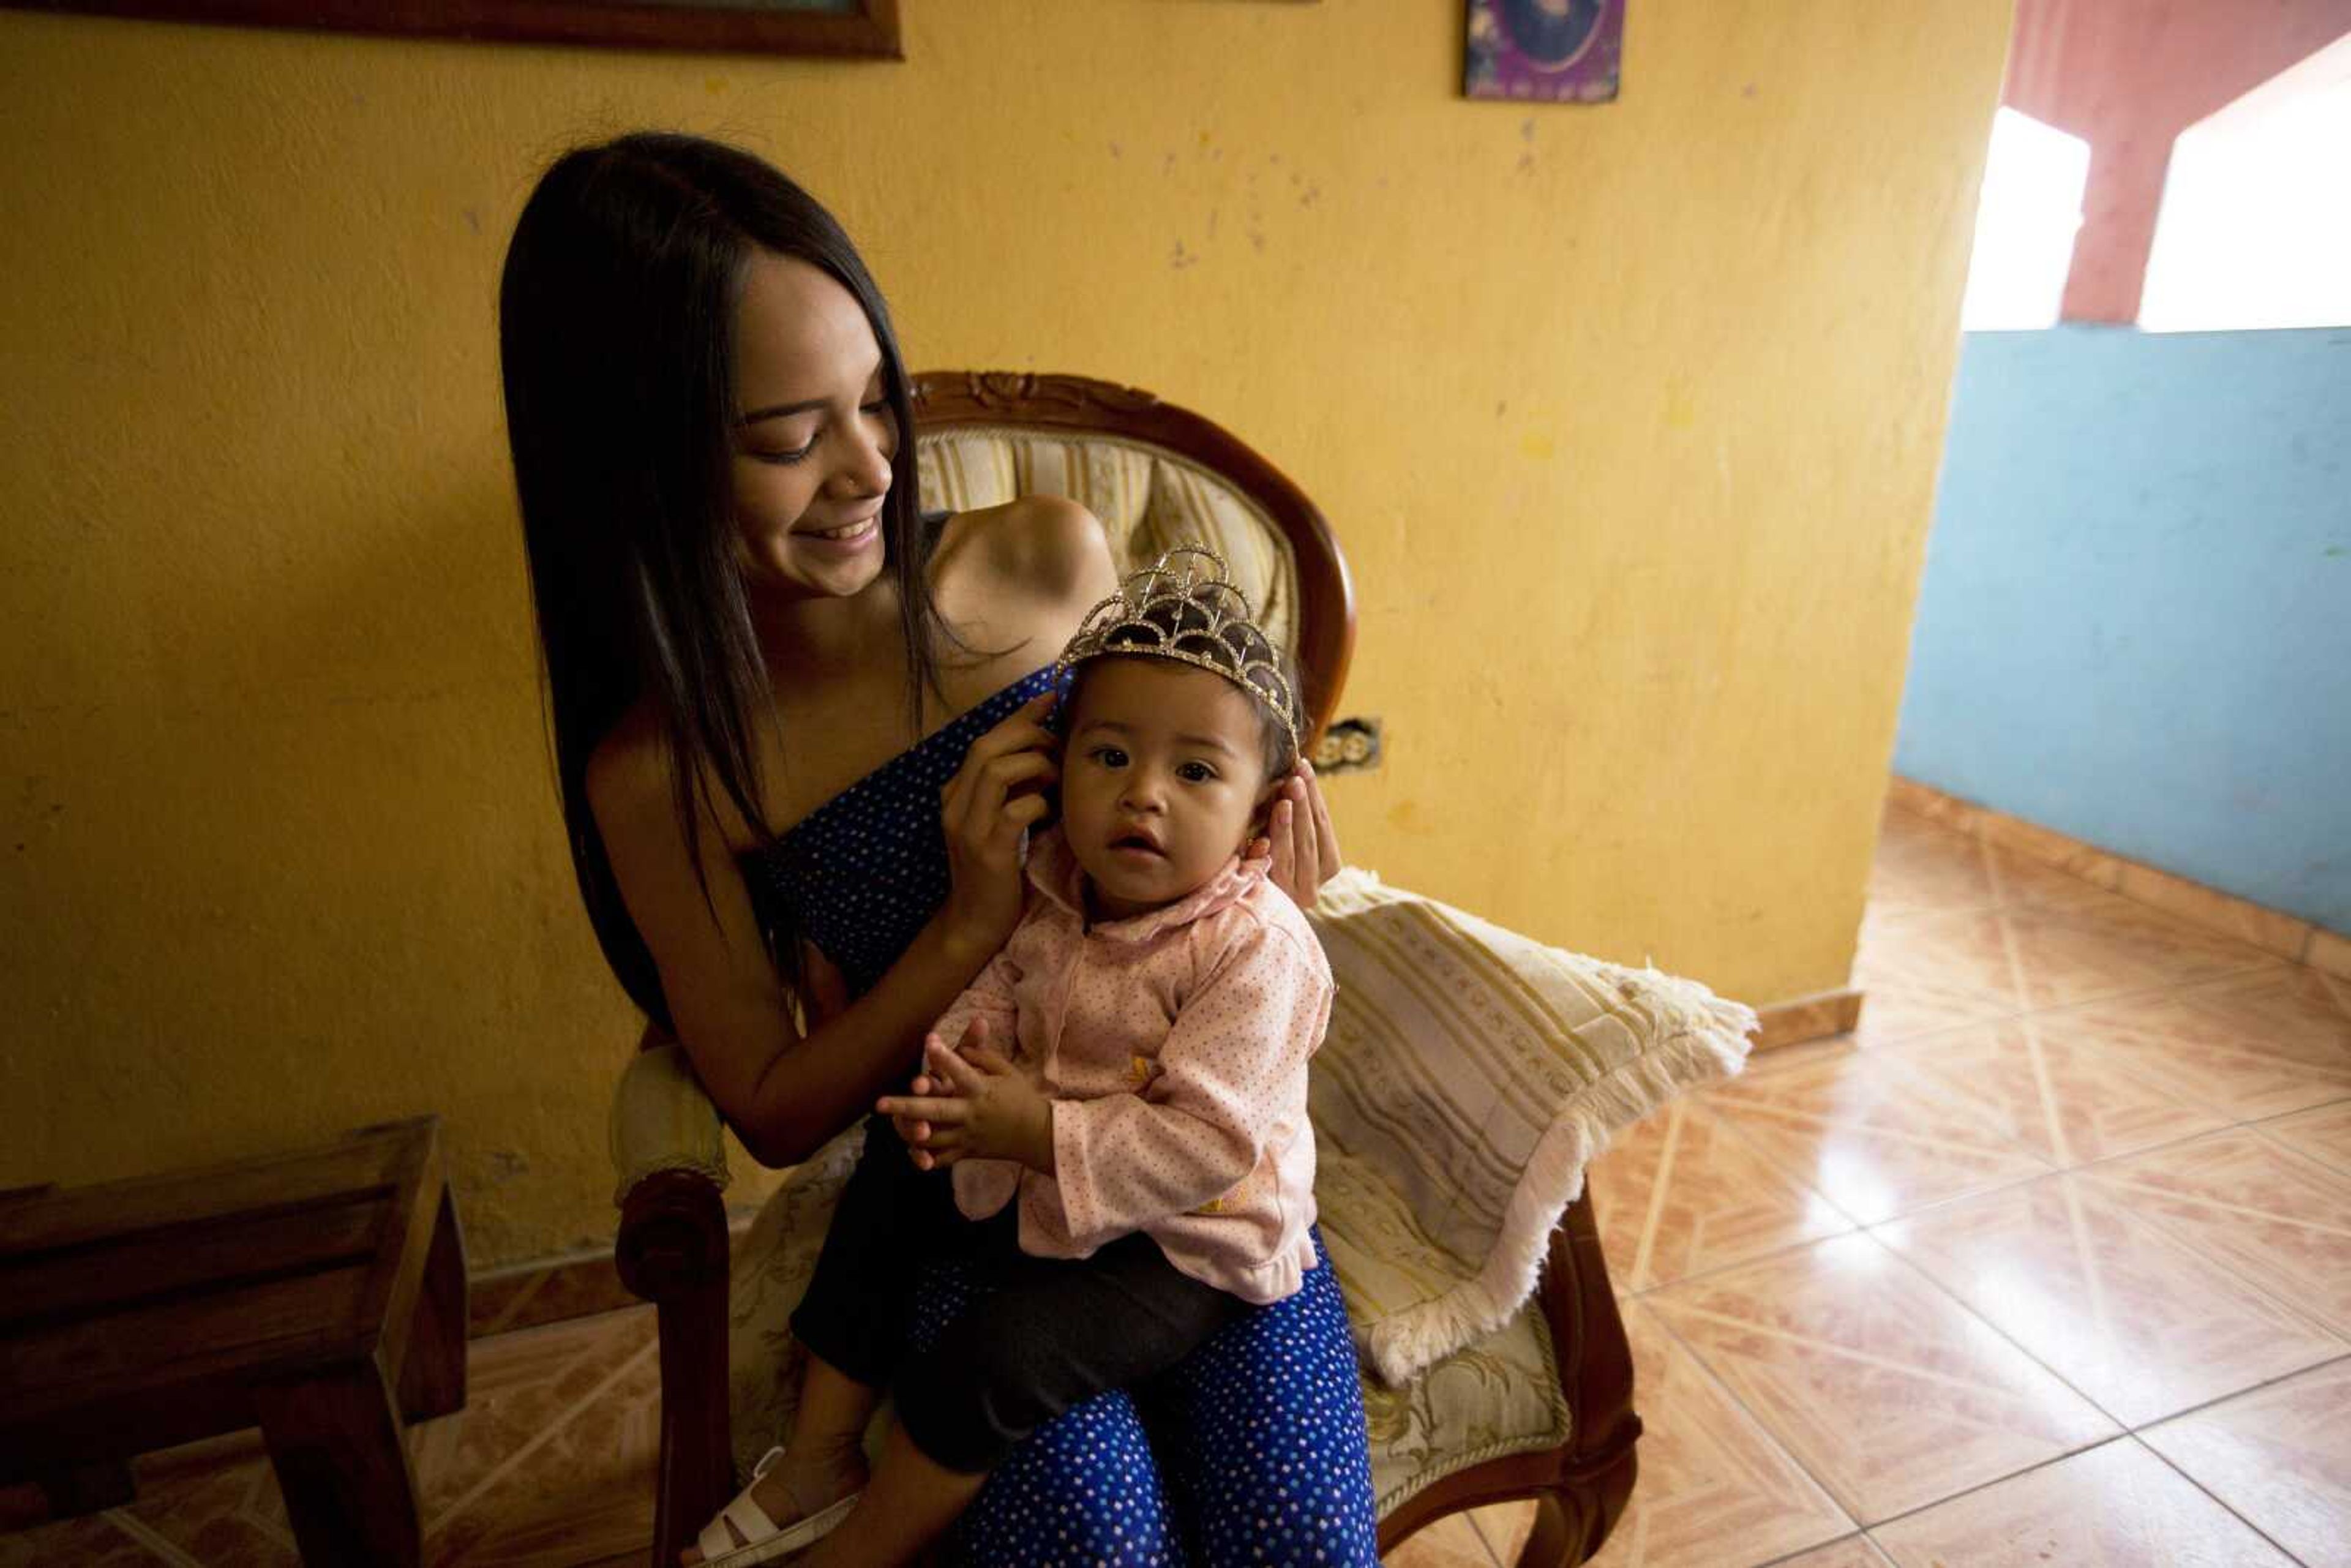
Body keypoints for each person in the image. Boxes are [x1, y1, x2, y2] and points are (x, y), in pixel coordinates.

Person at [498, 132, 1379, 1567]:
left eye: (873, 404)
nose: (870, 471)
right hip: (974, 1200)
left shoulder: (1044, 564)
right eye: (789, 437)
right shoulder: (663, 772)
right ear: (637, 464)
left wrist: (1269, 875)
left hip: (1208, 1194)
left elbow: (1191, 790)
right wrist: (966, 927)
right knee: (1096, 1548)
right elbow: (776, 1111)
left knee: (1303, 1543)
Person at [698, 550, 1335, 1567]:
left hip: (1179, 1241)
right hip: (1036, 1156)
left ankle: (863, 1549)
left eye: (1197, 771)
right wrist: (960, 1072)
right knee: (891, 1164)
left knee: (990, 1364)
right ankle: (818, 1453)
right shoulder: (1054, 880)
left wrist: (1033, 1126)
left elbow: (1209, 1143)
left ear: (1262, 816)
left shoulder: (1256, 949)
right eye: (1111, 756)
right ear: (1060, 762)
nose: (1145, 797)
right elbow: (1002, 987)